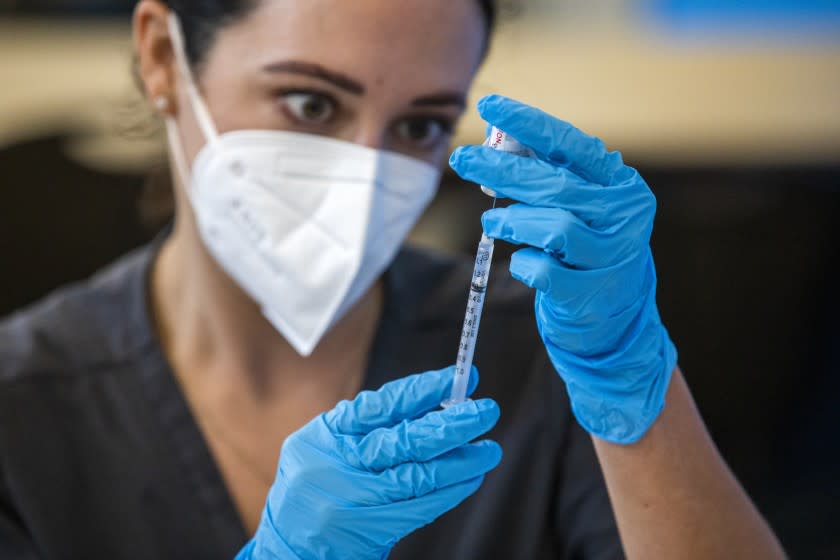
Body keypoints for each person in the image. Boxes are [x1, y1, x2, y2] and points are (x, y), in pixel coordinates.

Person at [0, 1, 786, 559]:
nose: (367, 170)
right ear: (162, 58)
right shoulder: (22, 408)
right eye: (310, 102)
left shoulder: (545, 357)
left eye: (420, 126)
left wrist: (636, 389)